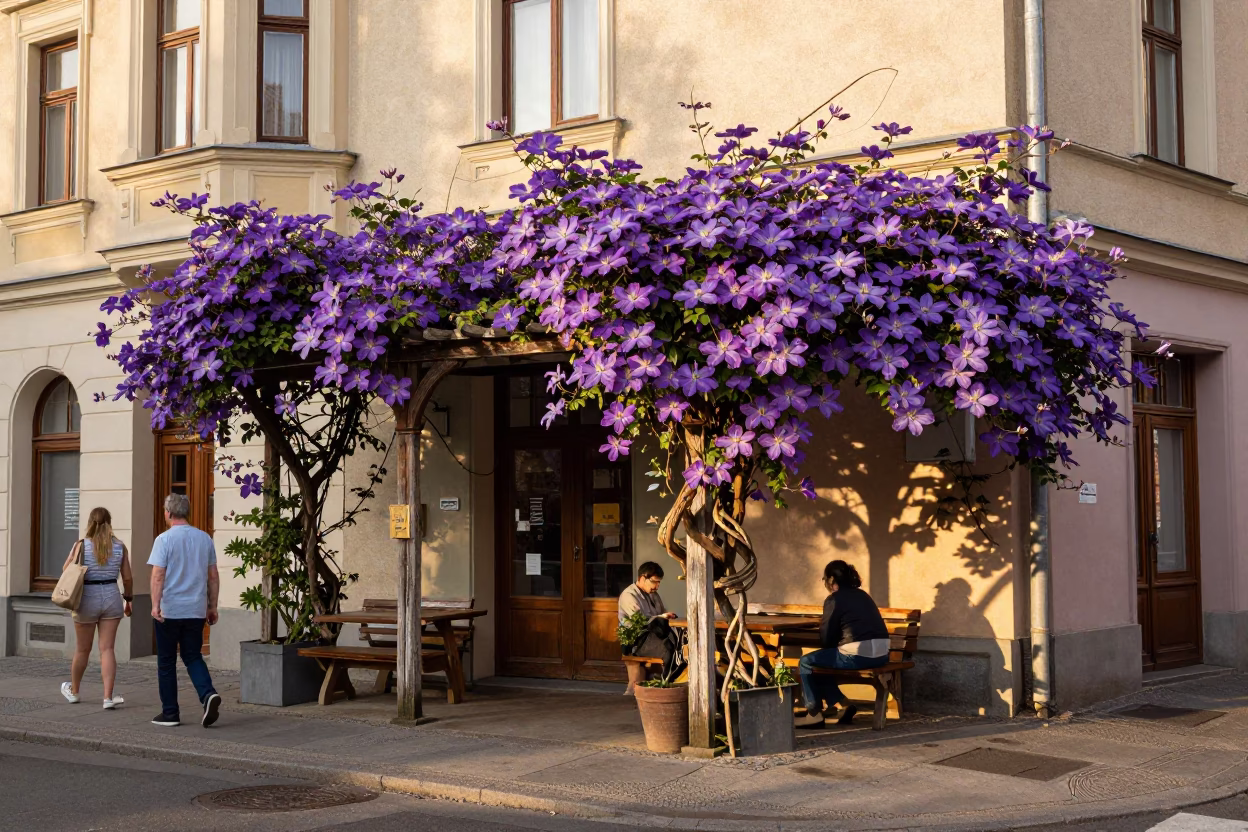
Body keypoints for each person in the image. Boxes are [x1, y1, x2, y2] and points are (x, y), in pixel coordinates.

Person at [149, 493, 221, 728]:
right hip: (195, 609)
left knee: (167, 661)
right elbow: (213, 576)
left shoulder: (164, 540)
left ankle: (170, 713)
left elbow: (158, 575)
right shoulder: (204, 539)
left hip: (169, 611)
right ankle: (208, 694)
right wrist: (212, 606)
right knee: (192, 656)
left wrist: (155, 606)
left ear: (168, 513)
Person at [795, 560, 890, 728]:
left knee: (806, 662)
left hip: (857, 656)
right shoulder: (863, 595)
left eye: (825, 579)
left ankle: (814, 714)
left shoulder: (834, 600)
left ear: (831, 580)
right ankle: (843, 704)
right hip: (882, 655)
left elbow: (826, 638)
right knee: (823, 661)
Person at [60, 507, 133, 710]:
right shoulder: (119, 546)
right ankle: (107, 698)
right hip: (111, 596)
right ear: (109, 523)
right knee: (107, 649)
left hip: (86, 598)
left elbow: (66, 570)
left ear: (90, 522)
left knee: (82, 649)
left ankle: (74, 692)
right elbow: (127, 578)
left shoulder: (81, 545)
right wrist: (129, 599)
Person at [618, 561, 684, 680]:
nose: (657, 586)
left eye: (659, 582)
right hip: (637, 641)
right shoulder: (629, 595)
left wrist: (667, 616)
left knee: (681, 643)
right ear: (642, 578)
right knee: (668, 650)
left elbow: (661, 614)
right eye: (654, 582)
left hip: (655, 635)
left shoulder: (653, 594)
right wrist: (662, 617)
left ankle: (673, 680)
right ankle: (667, 682)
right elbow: (641, 621)